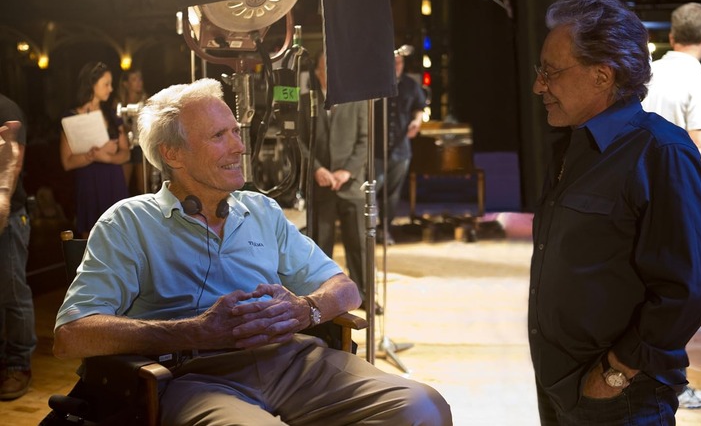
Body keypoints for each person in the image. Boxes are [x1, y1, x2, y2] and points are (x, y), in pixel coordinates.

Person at [52, 77, 451, 425]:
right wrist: (196, 331)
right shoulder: (128, 222)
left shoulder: (261, 209)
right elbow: (72, 336)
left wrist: (304, 309)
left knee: (422, 407)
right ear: (172, 154)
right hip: (195, 377)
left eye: (235, 131)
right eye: (218, 136)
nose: (240, 146)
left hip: (295, 361)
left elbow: (346, 290)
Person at [528, 0, 701, 424]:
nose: (539, 85)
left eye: (551, 72)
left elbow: (690, 287)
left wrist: (614, 372)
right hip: (560, 386)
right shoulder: (571, 146)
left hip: (620, 399)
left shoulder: (661, 151)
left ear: (601, 76)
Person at [642, 2, 701, 410]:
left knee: (644, 288)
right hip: (677, 198)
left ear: (672, 36)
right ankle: (671, 384)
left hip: (637, 192)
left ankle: (642, 374)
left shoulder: (648, 70)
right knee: (683, 291)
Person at [299, 51, 374, 312]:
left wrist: (348, 171)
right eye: (327, 69)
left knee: (359, 244)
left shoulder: (358, 99)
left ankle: (365, 295)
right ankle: (324, 298)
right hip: (321, 183)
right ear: (318, 71)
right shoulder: (306, 100)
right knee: (321, 244)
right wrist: (317, 169)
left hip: (350, 184)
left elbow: (366, 140)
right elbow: (297, 142)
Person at [60, 61, 130, 238]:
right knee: (90, 238)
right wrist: (94, 155)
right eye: (106, 84)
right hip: (89, 183)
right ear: (92, 84)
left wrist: (106, 158)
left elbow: (125, 153)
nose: (111, 88)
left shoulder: (112, 116)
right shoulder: (72, 118)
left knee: (119, 234)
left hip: (113, 180)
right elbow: (67, 162)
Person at [0, 94, 35, 400]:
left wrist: (2, 199)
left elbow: (14, 160)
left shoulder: (6, 108)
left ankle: (18, 364)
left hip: (9, 214)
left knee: (13, 292)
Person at [374, 52, 426, 245]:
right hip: (376, 148)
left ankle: (385, 230)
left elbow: (419, 107)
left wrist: (417, 122)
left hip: (400, 149)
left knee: (393, 193)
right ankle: (368, 230)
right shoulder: (375, 83)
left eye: (399, 62)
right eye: (393, 62)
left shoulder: (411, 85)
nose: (397, 65)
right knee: (372, 188)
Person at [117, 67, 149, 195]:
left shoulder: (146, 100)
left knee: (144, 186)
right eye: (134, 79)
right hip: (126, 147)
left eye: (140, 79)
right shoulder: (119, 103)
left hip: (141, 146)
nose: (139, 82)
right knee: (122, 185)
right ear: (126, 84)